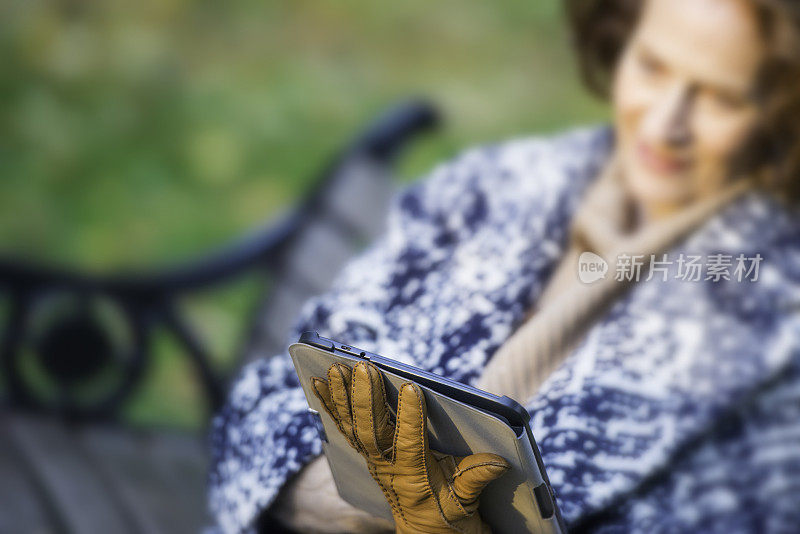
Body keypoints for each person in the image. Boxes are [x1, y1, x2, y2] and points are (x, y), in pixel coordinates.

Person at [208, 0, 800, 532]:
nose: (665, 125)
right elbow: (269, 401)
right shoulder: (494, 187)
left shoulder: (773, 322)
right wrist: (353, 507)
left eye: (722, 97)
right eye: (651, 66)